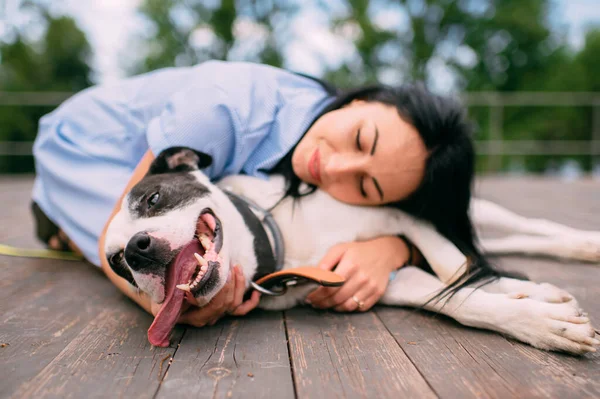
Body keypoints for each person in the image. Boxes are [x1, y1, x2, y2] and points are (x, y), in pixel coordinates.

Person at [31, 60, 481, 327]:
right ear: (361, 101)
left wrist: (394, 248)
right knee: (122, 243)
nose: (338, 167)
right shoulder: (223, 107)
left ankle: (55, 214)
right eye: (361, 139)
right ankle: (55, 210)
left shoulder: (323, 141)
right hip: (87, 143)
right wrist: (169, 310)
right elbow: (117, 236)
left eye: (366, 186)